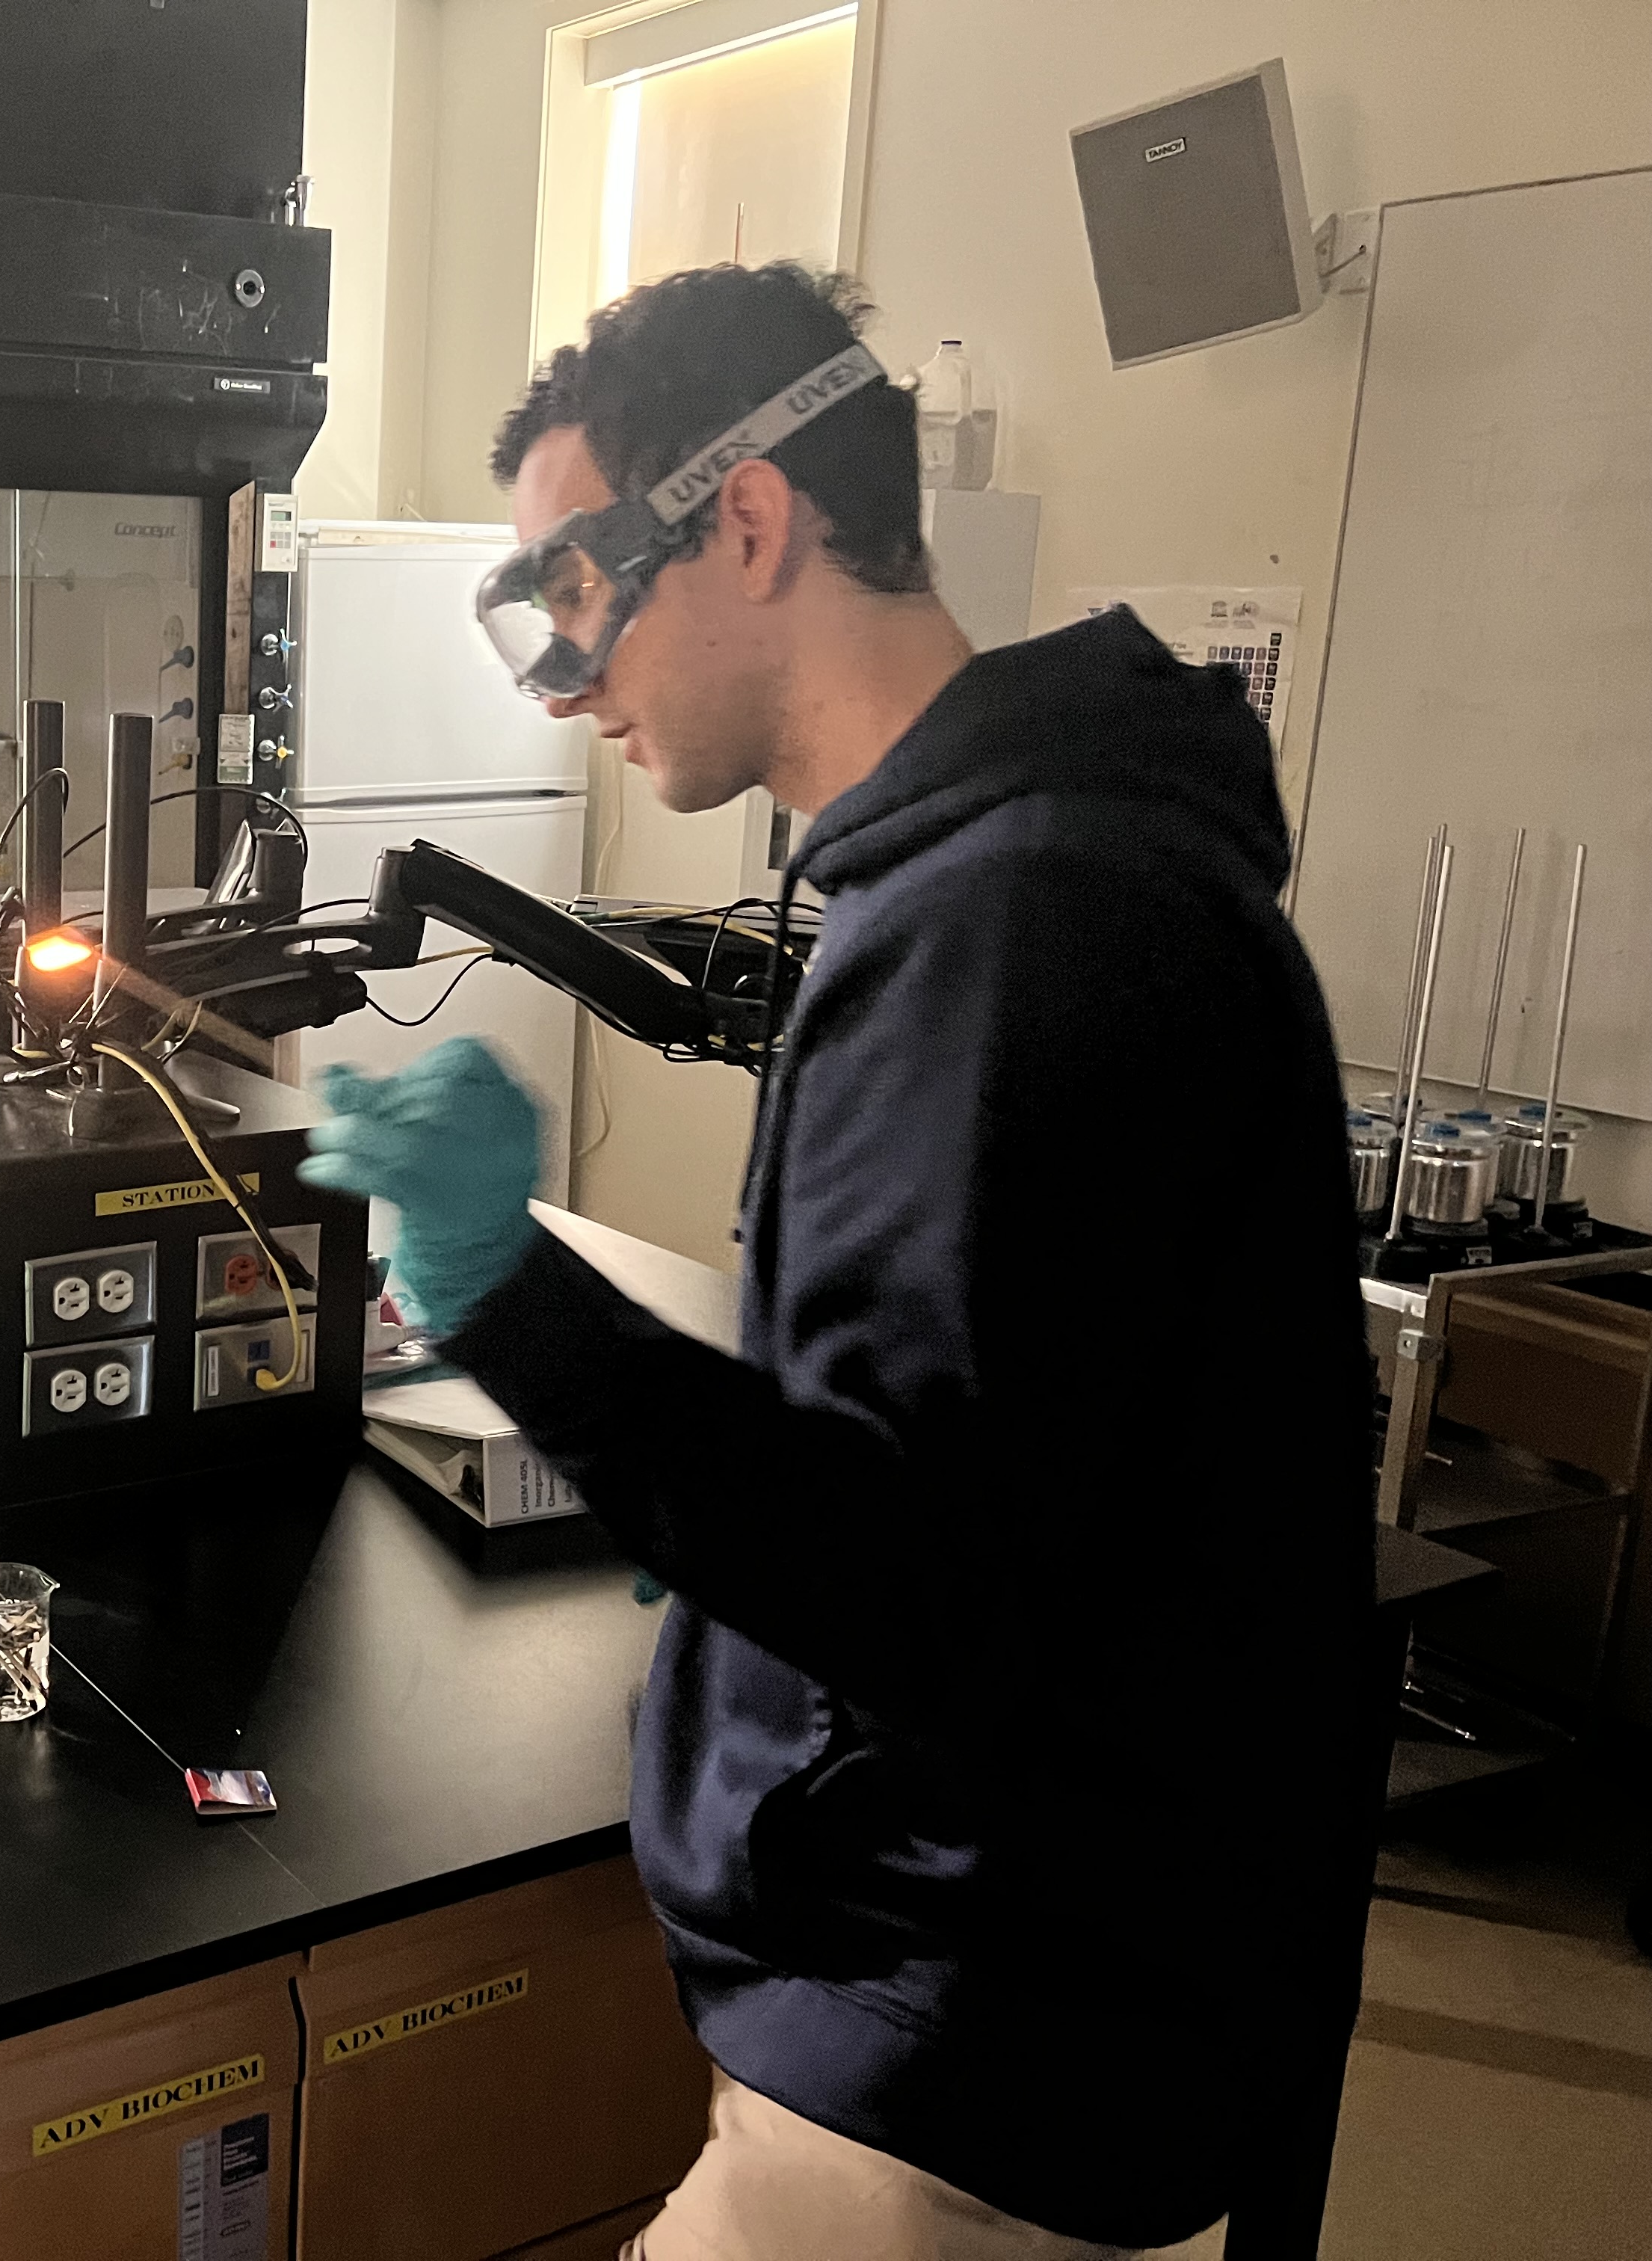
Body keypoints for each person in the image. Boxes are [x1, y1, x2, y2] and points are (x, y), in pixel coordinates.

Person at [301, 264, 1378, 2258]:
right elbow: (1004, 1478)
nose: (561, 683)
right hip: (1051, 2005)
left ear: (747, 519)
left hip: (974, 2057)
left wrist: (501, 1295)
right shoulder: (1037, 872)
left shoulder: (1017, 922)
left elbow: (912, 1586)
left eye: (570, 594)